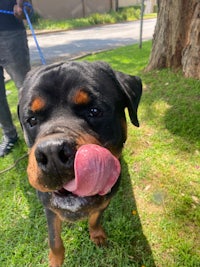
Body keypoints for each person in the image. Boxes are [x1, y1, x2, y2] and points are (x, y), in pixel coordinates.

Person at [0, 0, 31, 157]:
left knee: (26, 89)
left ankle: (34, 132)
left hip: (10, 33)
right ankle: (10, 135)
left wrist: (23, 4)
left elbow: (26, 5)